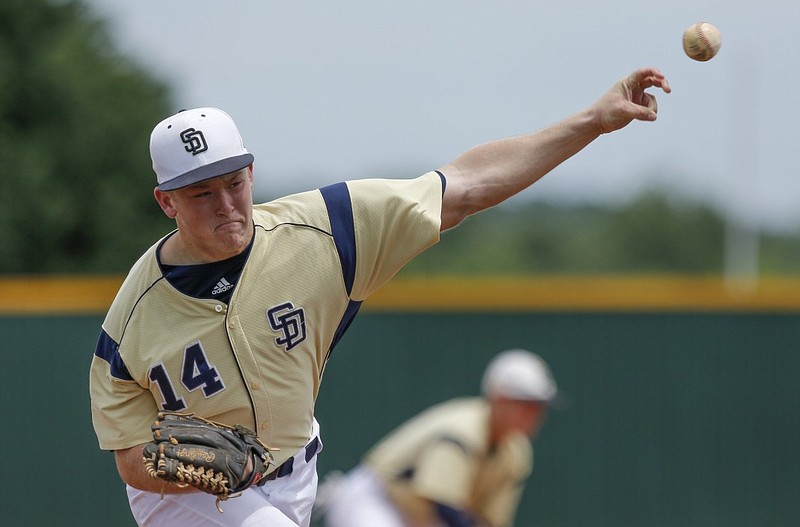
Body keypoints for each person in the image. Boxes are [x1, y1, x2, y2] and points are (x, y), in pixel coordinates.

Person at [89, 67, 670, 527]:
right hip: (186, 500)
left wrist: (592, 120)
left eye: (234, 183)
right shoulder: (131, 323)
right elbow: (130, 460)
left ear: (252, 172)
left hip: (295, 476)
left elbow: (463, 187)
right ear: (166, 202)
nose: (225, 206)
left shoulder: (323, 233)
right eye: (200, 194)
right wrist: (199, 472)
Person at [316, 349, 558, 527]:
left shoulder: (517, 453)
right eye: (525, 404)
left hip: (420, 517)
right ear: (498, 398)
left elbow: (489, 519)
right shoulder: (464, 430)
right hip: (376, 500)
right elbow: (443, 505)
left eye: (538, 406)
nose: (534, 414)